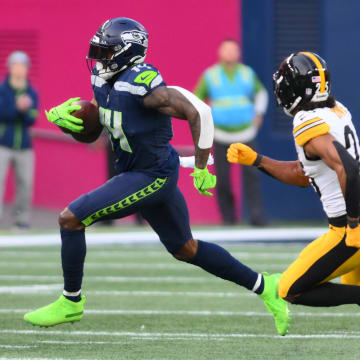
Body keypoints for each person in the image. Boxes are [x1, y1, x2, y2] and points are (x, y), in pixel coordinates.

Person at [23, 18, 289, 336]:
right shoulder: (100, 76)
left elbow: (200, 112)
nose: (98, 58)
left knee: (70, 218)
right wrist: (76, 123)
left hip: (151, 174)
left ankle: (71, 301)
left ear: (127, 53)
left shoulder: (144, 86)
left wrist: (203, 166)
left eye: (106, 51)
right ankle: (265, 286)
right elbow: (102, 122)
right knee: (186, 248)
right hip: (141, 169)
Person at [228, 51, 360, 331]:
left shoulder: (306, 121)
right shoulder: (337, 111)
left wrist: (354, 224)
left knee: (290, 289)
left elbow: (349, 169)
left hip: (349, 231)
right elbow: (304, 174)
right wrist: (256, 160)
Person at [194, 39, 268, 226]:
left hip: (246, 134)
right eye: (226, 50)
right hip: (220, 135)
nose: (230, 53)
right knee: (223, 179)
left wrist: (259, 114)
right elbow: (196, 100)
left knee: (252, 177)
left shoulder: (247, 73)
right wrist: (204, 122)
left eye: (233, 50)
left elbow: (261, 93)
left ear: (238, 53)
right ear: (220, 53)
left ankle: (256, 217)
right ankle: (228, 218)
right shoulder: (210, 76)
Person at [0, 51, 38, 229]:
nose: (19, 69)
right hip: (3, 144)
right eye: (16, 65)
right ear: (10, 67)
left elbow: (32, 118)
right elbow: (3, 112)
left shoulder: (32, 92)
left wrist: (25, 110)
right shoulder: (2, 89)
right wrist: (17, 106)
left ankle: (21, 220)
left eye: (22, 65)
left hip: (24, 145)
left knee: (25, 183)